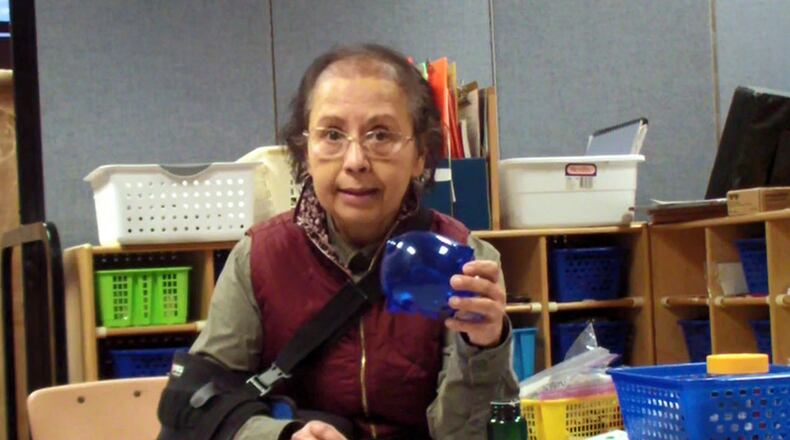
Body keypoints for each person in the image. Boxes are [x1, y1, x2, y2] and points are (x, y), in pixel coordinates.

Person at [158, 43, 518, 440]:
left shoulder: (463, 259)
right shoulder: (260, 257)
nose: (355, 160)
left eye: (380, 135)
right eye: (332, 134)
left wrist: (483, 348)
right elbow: (199, 402)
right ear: (305, 150)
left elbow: (464, 434)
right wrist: (280, 435)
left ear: (420, 154)